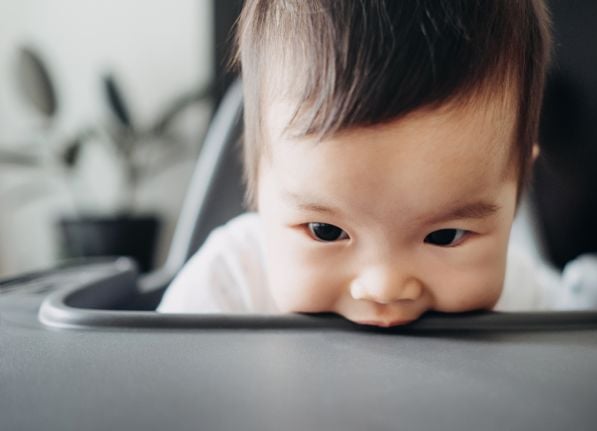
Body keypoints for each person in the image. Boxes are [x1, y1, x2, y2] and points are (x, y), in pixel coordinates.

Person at [158, 0, 556, 327]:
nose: (384, 287)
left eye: (445, 236)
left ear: (520, 181)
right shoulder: (226, 286)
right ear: (259, 182)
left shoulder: (523, 299)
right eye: (325, 230)